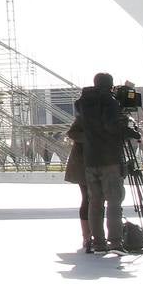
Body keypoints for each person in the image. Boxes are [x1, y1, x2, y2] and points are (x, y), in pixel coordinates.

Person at [76, 73, 140, 252]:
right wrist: (129, 131)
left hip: (90, 160)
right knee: (113, 201)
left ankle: (98, 243)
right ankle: (116, 242)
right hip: (110, 159)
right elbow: (111, 126)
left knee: (95, 202)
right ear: (110, 86)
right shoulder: (110, 102)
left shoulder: (83, 103)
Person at [65, 104, 91, 253]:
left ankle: (95, 235)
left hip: (94, 162)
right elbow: (72, 132)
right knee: (88, 199)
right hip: (83, 164)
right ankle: (88, 236)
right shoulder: (86, 113)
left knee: (96, 199)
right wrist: (92, 139)